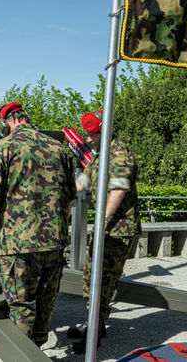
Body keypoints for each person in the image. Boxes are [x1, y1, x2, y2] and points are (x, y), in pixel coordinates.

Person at [0, 102, 76, 347]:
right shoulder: (58, 148)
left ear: (4, 123)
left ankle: (23, 354)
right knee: (45, 300)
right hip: (55, 242)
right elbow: (70, 199)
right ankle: (38, 348)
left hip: (20, 245)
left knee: (21, 305)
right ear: (25, 119)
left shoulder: (3, 147)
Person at [68, 110, 140, 354]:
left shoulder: (119, 152)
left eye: (92, 134)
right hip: (105, 229)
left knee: (103, 281)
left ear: (104, 130)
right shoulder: (101, 156)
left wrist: (103, 220)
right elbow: (83, 183)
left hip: (117, 230)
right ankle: (94, 324)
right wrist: (58, 192)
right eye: (87, 134)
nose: (88, 139)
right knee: (91, 278)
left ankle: (94, 333)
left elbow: (119, 190)